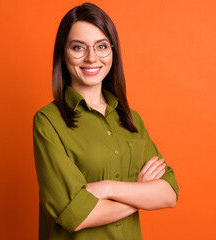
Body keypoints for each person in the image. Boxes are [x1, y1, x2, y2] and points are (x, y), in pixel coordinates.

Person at [33, 2, 179, 239]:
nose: (92, 58)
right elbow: (75, 214)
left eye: (101, 46)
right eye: (78, 47)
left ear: (113, 52)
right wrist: (140, 195)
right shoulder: (48, 121)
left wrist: (107, 188)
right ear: (63, 53)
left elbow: (168, 194)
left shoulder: (131, 119)